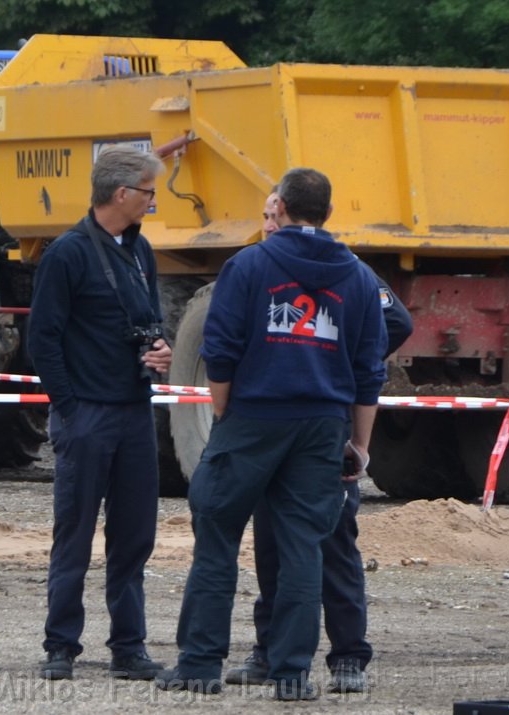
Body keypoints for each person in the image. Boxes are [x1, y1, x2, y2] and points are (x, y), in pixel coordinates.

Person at [156, 168, 389, 700]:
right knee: (304, 546)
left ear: (279, 206)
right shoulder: (357, 277)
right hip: (321, 425)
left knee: (216, 538)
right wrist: (360, 444)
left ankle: (199, 664)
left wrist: (224, 414)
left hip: (253, 417)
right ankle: (291, 674)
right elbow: (368, 369)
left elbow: (220, 347)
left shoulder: (249, 265)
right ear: (327, 213)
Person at [224, 191, 413, 694]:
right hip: (276, 430)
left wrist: (341, 360)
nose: (266, 225)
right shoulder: (261, 268)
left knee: (333, 543)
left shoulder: (344, 269)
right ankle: (269, 650)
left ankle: (348, 657)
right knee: (270, 544)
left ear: (288, 212)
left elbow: (397, 321)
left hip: (324, 431)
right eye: (261, 216)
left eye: (271, 215)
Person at [27, 145, 172, 681]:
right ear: (121, 194)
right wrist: (68, 408)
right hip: (87, 414)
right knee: (75, 533)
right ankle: (61, 645)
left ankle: (128, 647)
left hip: (134, 411)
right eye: (149, 193)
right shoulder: (67, 254)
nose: (153, 202)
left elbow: (150, 319)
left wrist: (158, 348)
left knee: (134, 535)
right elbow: (42, 340)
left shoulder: (141, 252)